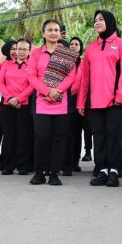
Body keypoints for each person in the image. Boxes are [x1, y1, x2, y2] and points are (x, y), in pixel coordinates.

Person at [78, 10, 122, 187]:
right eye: (95, 20)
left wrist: (121, 95)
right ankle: (102, 170)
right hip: (95, 102)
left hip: (115, 102)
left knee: (114, 137)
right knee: (98, 137)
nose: (97, 23)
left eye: (101, 19)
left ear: (109, 21)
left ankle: (114, 171)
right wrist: (81, 101)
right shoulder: (91, 48)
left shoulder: (121, 45)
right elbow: (85, 77)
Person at [28, 22, 77, 186]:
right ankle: (40, 172)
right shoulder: (35, 53)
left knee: (59, 139)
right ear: (43, 33)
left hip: (61, 102)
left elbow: (71, 77)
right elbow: (32, 77)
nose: (53, 32)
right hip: (41, 102)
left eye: (56, 30)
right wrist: (48, 91)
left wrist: (57, 91)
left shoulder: (67, 54)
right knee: (41, 137)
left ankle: (55, 173)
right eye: (50, 30)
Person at [0, 38, 34, 175]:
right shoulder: (7, 64)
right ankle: (8, 165)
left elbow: (32, 84)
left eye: (25, 49)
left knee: (23, 136)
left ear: (29, 51)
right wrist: (10, 98)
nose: (21, 52)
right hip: (7, 104)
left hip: (24, 105)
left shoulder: (31, 65)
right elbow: (1, 83)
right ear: (15, 50)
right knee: (9, 135)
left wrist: (19, 99)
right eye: (19, 49)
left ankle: (23, 165)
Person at [63, 37, 85, 175]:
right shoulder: (63, 62)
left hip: (78, 100)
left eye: (76, 44)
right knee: (65, 133)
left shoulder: (84, 63)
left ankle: (74, 161)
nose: (73, 46)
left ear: (80, 47)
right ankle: (65, 161)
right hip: (64, 99)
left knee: (76, 133)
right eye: (71, 44)